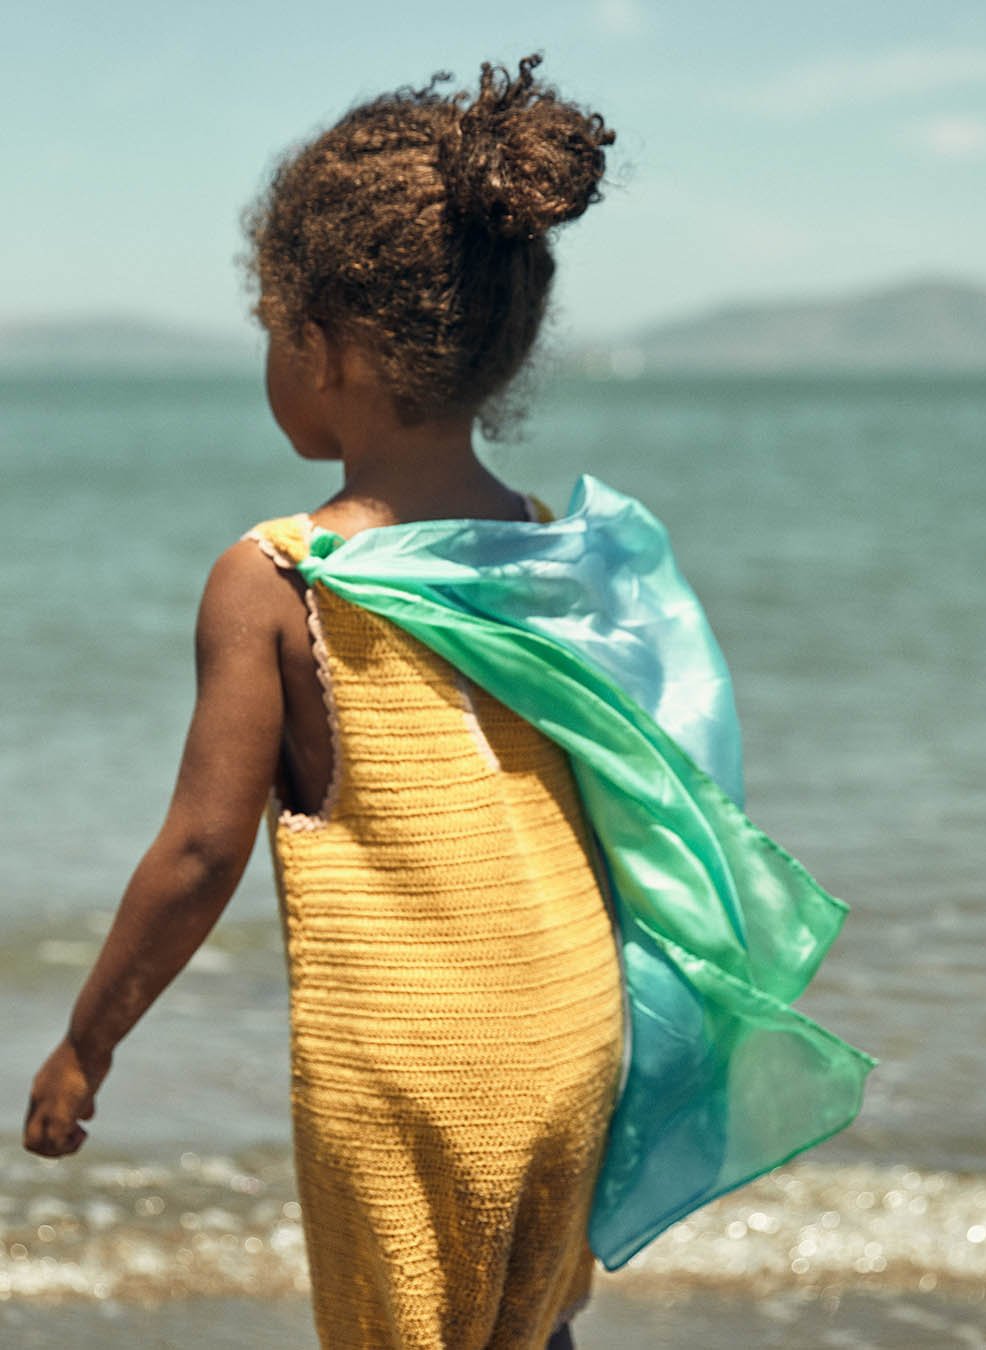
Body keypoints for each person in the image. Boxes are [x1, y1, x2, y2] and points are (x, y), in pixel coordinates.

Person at [23, 55, 625, 1350]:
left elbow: (201, 852)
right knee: (527, 1330)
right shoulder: (544, 543)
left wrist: (88, 1042)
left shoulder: (280, 577)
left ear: (325, 343)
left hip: (412, 1073)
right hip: (573, 1035)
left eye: (270, 326)